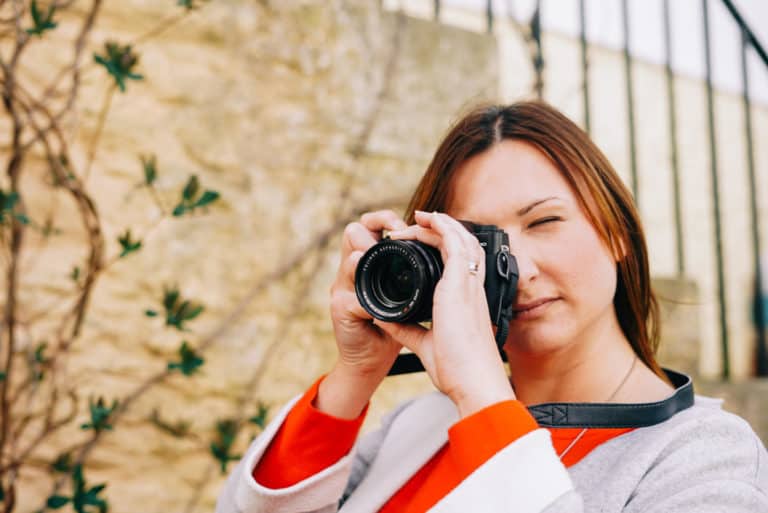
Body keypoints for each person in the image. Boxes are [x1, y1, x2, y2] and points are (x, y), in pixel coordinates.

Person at [216, 101, 768, 512]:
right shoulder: (423, 423)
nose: (518, 270)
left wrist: (481, 394)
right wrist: (356, 374)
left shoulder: (703, 454)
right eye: (480, 243)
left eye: (545, 222)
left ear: (617, 232)